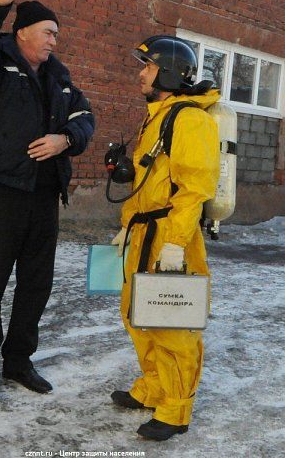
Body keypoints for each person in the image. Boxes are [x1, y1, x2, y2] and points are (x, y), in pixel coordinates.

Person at [0, 0, 95, 402]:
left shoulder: (59, 76)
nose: (55, 40)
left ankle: (18, 361)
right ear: (24, 32)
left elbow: (85, 118)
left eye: (56, 35)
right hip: (1, 192)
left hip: (44, 194)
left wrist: (65, 140)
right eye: (49, 32)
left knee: (36, 283)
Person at [110, 35, 220, 441]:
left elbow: (194, 188)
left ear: (168, 73)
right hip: (145, 231)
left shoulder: (190, 120)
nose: (141, 73)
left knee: (171, 324)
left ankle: (176, 409)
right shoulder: (160, 114)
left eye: (148, 67)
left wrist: (175, 243)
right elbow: (148, 180)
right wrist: (128, 223)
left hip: (171, 235)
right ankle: (155, 387)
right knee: (138, 316)